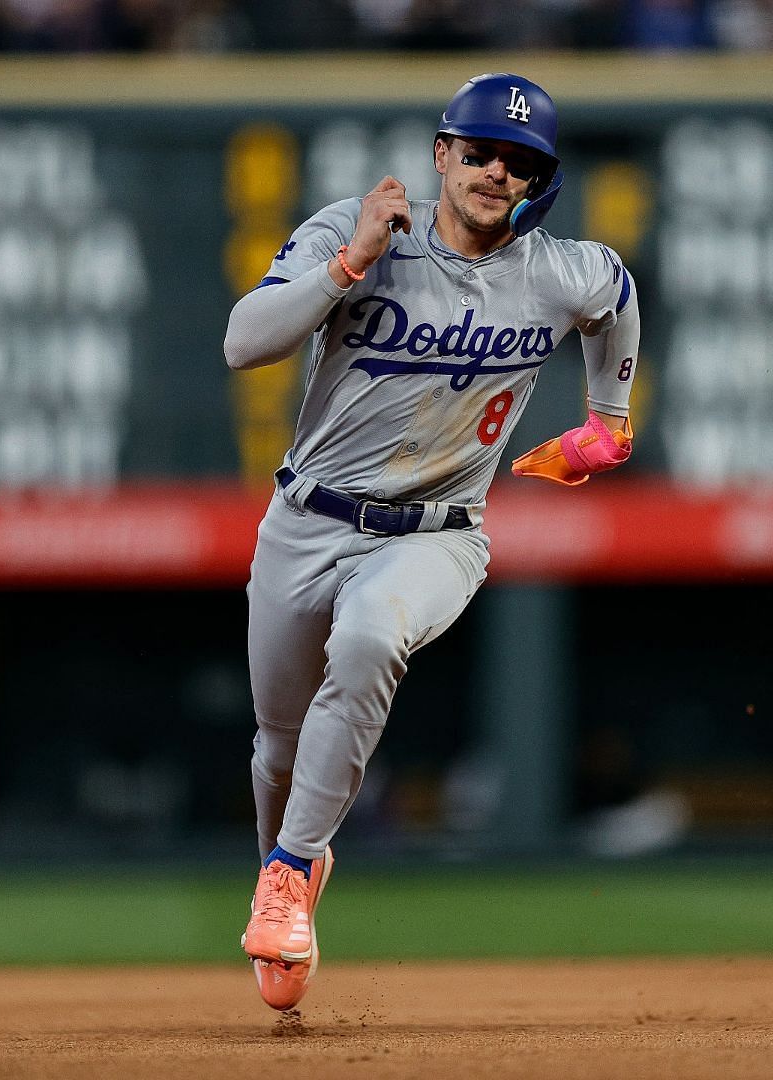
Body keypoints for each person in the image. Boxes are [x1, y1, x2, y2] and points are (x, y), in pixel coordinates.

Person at [221, 73, 639, 1012]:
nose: (497, 170)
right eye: (481, 150)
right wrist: (347, 265)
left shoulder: (556, 270)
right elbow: (244, 345)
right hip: (306, 520)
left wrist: (605, 420)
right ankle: (289, 876)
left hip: (439, 534)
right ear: (442, 153)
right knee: (279, 753)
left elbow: (617, 293)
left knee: (371, 636)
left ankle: (288, 873)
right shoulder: (354, 229)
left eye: (519, 161)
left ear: (541, 178)